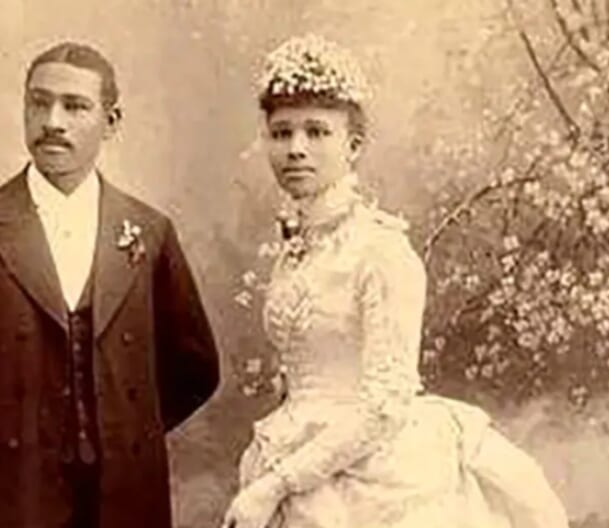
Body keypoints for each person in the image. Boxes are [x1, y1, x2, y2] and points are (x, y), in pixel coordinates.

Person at [221, 35, 570, 528]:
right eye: (282, 133)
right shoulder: (295, 251)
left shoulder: (381, 251)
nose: (296, 149)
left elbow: (385, 405)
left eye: (317, 131)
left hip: (377, 475)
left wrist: (277, 484)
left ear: (353, 146)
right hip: (294, 453)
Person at [0, 41, 220, 528]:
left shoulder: (149, 232)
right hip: (8, 500)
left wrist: (121, 428)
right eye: (40, 103)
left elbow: (196, 368)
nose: (53, 121)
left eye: (75, 106)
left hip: (123, 503)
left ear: (111, 122)